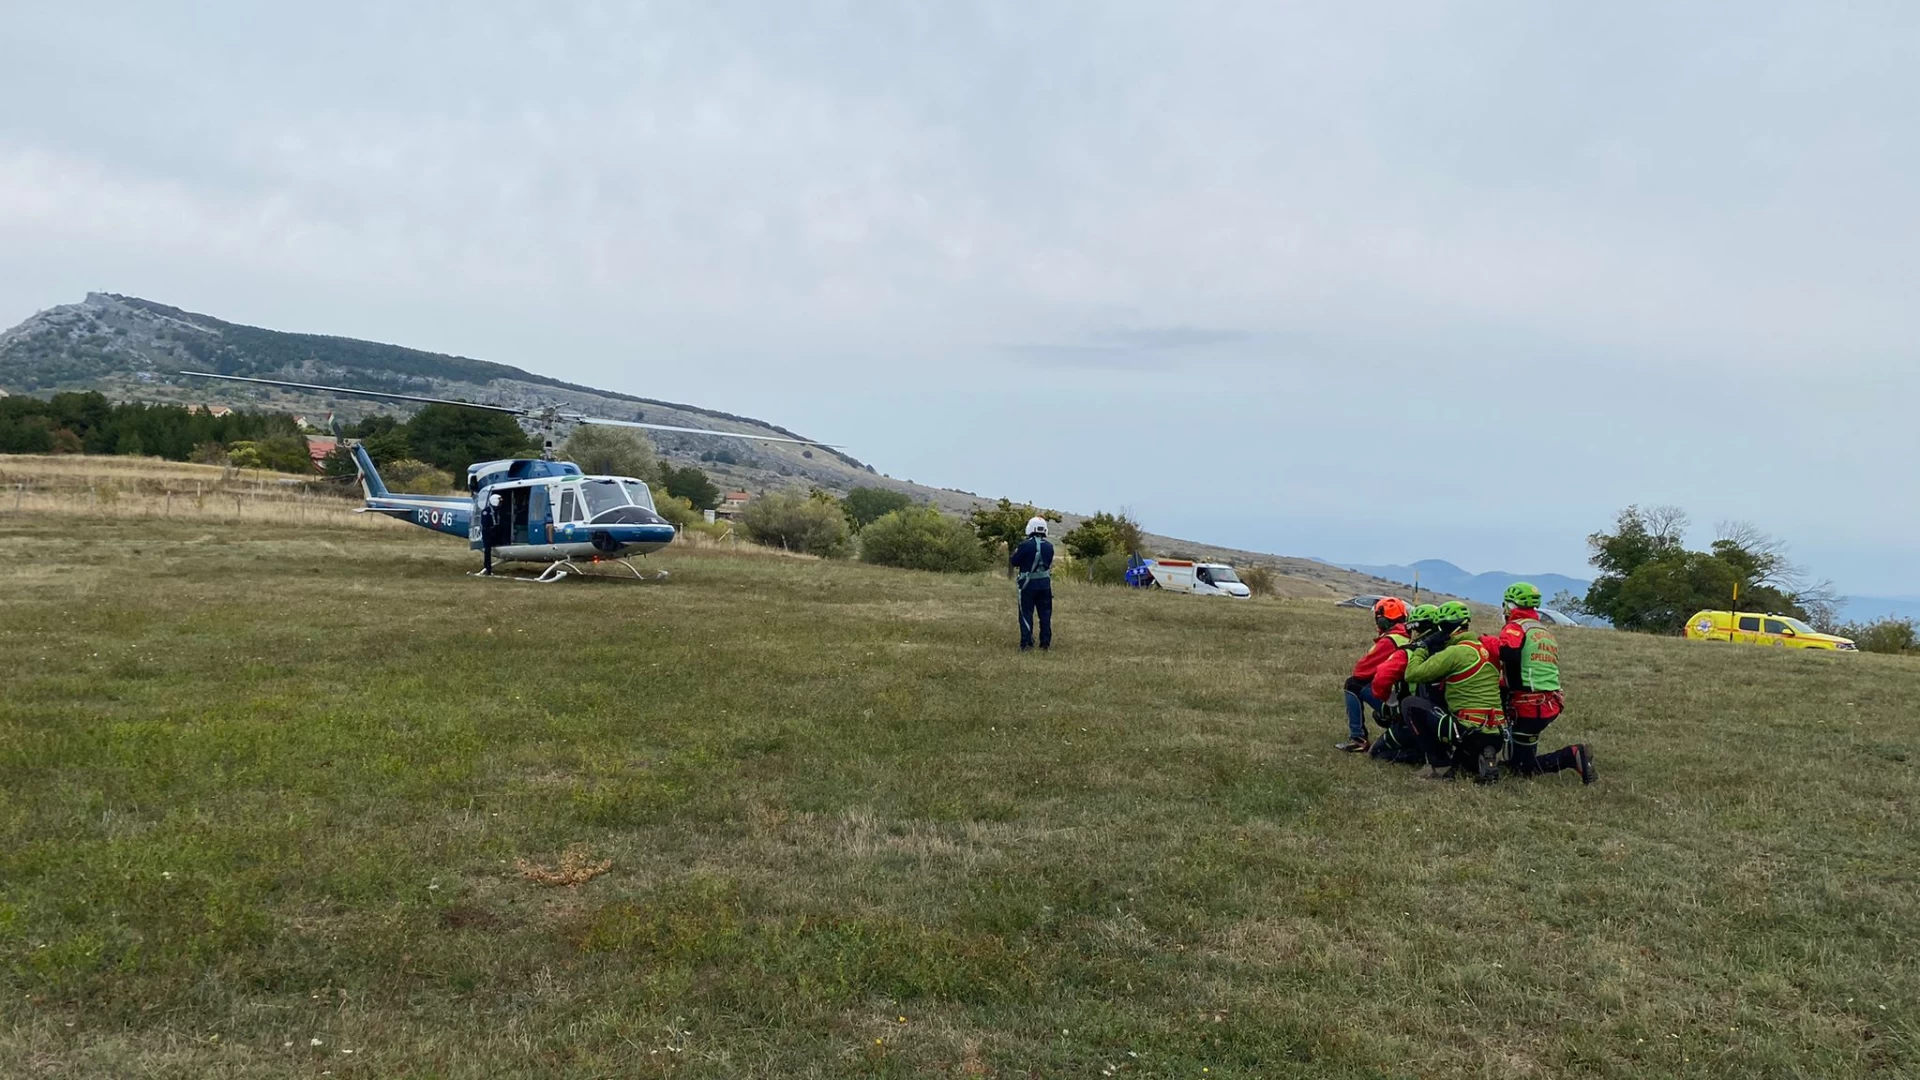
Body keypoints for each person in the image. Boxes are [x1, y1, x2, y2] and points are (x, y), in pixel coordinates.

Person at [1488, 582, 1597, 784]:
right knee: (1520, 756)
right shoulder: (1542, 630)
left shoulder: (1515, 627)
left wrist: (1487, 643)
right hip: (1549, 701)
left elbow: (1509, 654)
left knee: (1522, 770)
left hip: (1530, 704)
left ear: (1508, 606)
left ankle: (1571, 755)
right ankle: (1520, 758)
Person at [1402, 601, 1507, 783]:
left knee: (1410, 705)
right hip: (1497, 731)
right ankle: (1485, 757)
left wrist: (1422, 647)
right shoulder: (1487, 650)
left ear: (1443, 628)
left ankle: (1439, 767)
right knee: (1464, 765)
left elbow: (1412, 674)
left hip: (1467, 728)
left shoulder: (1455, 652)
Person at [1338, 596, 1410, 752]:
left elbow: (1361, 672)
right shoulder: (1408, 635)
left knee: (1352, 684)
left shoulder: (1390, 640)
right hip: (1411, 696)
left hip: (1401, 700)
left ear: (1383, 620)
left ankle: (1358, 738)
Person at [1370, 603, 1438, 765]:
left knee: (1377, 753)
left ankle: (1418, 753)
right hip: (1447, 718)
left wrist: (1391, 702)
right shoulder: (1454, 650)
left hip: (1413, 717)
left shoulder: (1408, 652)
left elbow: (1381, 679)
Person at [1009, 516, 1054, 651]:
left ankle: (1026, 643)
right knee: (1045, 614)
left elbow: (1015, 562)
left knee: (1026, 613)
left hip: (1028, 585)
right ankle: (1045, 642)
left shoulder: (1024, 545)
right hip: (1045, 585)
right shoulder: (1050, 547)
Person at [479, 491, 502, 575]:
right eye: (499, 501)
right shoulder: (486, 511)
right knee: (487, 550)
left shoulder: (497, 511)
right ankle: (487, 567)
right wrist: (491, 529)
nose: (500, 504)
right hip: (487, 532)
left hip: (494, 531)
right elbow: (484, 523)